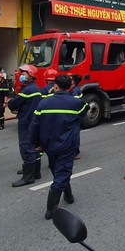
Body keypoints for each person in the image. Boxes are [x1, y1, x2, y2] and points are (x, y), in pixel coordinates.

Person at [30, 74, 88, 219]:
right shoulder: (76, 104)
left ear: (55, 86)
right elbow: (84, 111)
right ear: (70, 87)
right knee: (62, 173)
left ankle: (68, 196)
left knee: (58, 170)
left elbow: (34, 126)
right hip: (67, 145)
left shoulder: (44, 104)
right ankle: (51, 209)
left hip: (49, 145)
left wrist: (37, 144)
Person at [8, 64, 43, 187]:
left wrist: (11, 102)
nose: (21, 76)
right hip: (32, 122)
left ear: (30, 76)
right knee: (34, 147)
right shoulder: (35, 88)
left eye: (23, 74)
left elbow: (12, 105)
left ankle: (28, 177)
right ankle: (36, 172)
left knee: (26, 147)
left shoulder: (27, 90)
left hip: (26, 122)